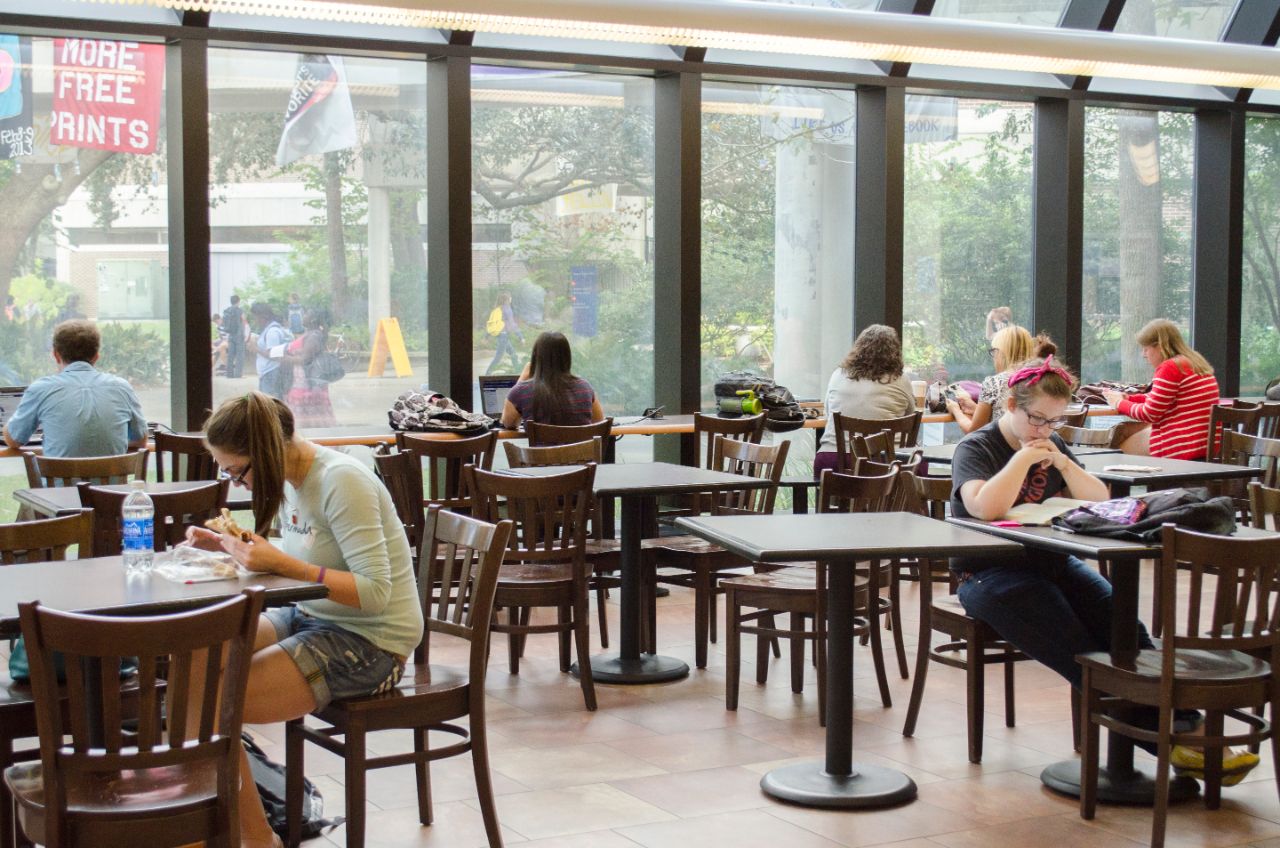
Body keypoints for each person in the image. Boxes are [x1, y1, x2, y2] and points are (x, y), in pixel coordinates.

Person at [951, 355, 1257, 782]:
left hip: (1053, 563)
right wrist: (1020, 460)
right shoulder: (978, 446)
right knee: (1079, 647)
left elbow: (1097, 499)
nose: (1043, 430)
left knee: (1125, 630)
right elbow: (984, 506)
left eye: (1054, 422)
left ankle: (1185, 732)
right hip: (988, 575)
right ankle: (1182, 742)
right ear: (1010, 406)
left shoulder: (1052, 444)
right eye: (1036, 419)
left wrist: (1063, 462)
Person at [185, 392, 422, 848]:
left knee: (218, 703)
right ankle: (200, 824)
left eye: (237, 470)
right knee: (195, 656)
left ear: (268, 451)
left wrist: (280, 562)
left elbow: (374, 595)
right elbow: (303, 553)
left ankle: (253, 840)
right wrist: (230, 546)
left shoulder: (341, 482)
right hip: (311, 615)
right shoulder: (294, 478)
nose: (235, 483)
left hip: (370, 643)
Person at [2, 319, 148, 457]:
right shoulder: (121, 388)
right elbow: (140, 439)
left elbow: (14, 439)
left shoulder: (41, 390)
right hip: (112, 484)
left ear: (56, 355)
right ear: (96, 356)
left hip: (61, 484)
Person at [1101, 319, 1220, 459]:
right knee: (1122, 431)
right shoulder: (1194, 362)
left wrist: (1119, 403)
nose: (1143, 355)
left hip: (1181, 445)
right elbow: (1162, 398)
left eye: (1146, 349)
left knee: (1114, 455)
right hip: (1204, 443)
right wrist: (1129, 398)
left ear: (1160, 346)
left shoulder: (1170, 367)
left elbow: (1150, 413)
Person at [813, 324, 915, 479]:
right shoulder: (900, 379)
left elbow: (829, 414)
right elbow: (910, 418)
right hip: (887, 462)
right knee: (919, 462)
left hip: (835, 459)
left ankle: (836, 503)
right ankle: (900, 503)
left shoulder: (838, 375)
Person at [948, 325, 1054, 435]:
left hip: (1001, 450)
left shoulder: (994, 383)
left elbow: (974, 433)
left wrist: (955, 410)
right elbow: (1006, 418)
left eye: (994, 351)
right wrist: (976, 409)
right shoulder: (1041, 379)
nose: (993, 356)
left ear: (1002, 352)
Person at [501, 331, 604, 428]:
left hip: (543, 448)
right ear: (567, 356)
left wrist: (522, 379)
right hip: (583, 447)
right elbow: (599, 422)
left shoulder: (522, 391)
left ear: (536, 356)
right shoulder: (585, 388)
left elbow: (508, 424)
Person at [284, 308, 339, 428]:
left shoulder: (314, 336)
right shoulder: (310, 334)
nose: (303, 316)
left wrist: (282, 358)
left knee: (310, 422)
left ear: (313, 319)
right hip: (304, 384)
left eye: (306, 314)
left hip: (307, 385)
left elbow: (305, 359)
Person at [248, 301, 292, 400]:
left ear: (262, 316)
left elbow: (274, 354)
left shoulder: (272, 331)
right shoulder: (268, 330)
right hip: (268, 373)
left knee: (270, 405)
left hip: (271, 372)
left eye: (255, 317)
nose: (255, 320)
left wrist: (256, 349)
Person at [485, 292, 523, 375]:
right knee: (498, 357)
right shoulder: (507, 309)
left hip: (501, 336)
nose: (511, 299)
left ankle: (518, 372)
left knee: (513, 354)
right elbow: (512, 324)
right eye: (510, 298)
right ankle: (488, 374)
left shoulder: (498, 309)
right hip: (503, 336)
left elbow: (491, 324)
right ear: (507, 300)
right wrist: (520, 337)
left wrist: (486, 337)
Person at [223, 294, 245, 379]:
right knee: (240, 355)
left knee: (230, 355)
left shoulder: (226, 310)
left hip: (230, 334)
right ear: (238, 301)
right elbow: (243, 320)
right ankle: (238, 374)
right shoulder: (239, 310)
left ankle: (229, 374)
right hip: (238, 334)